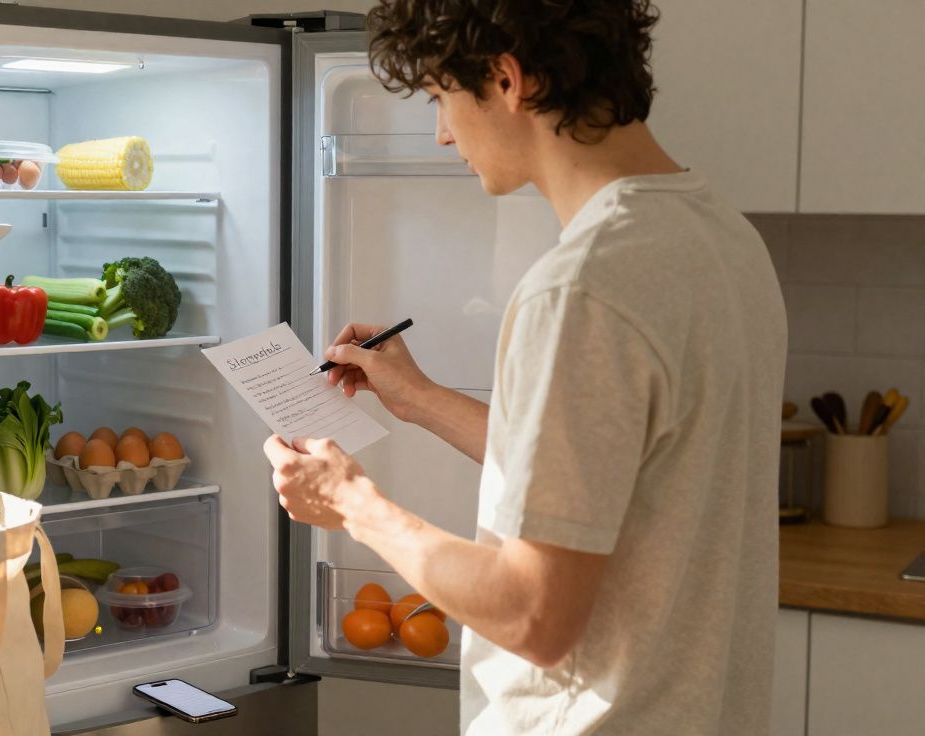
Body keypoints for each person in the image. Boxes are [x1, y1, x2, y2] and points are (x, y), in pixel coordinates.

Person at [262, 0, 788, 733]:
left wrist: (353, 503)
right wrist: (420, 399)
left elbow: (532, 613)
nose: (443, 134)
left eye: (444, 97)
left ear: (508, 81)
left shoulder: (582, 286)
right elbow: (606, 475)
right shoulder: (723, 239)